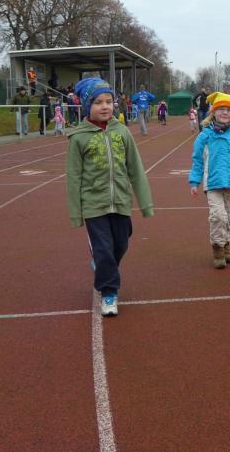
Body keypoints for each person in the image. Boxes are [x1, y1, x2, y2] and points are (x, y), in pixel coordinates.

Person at [66, 77, 154, 317]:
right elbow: (73, 177)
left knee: (121, 244)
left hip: (121, 201)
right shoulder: (78, 137)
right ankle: (109, 292)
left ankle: (103, 266)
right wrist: (75, 213)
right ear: (87, 106)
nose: (105, 106)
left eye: (108, 101)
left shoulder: (122, 132)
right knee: (104, 249)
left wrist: (145, 204)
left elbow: (135, 168)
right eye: (98, 102)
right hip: (93, 204)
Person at [189, 93, 230, 269]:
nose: (225, 112)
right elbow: (197, 160)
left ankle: (226, 245)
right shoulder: (205, 136)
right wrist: (194, 181)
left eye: (229, 110)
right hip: (213, 183)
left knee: (229, 217)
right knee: (218, 216)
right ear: (213, 112)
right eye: (221, 109)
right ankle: (217, 248)